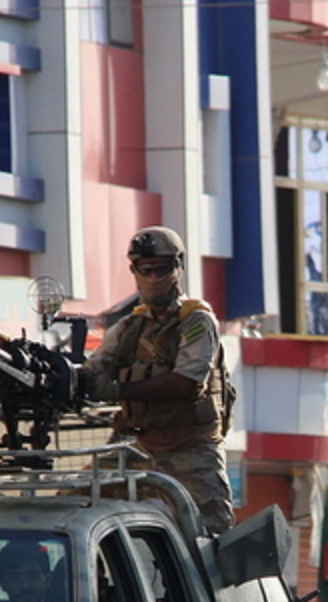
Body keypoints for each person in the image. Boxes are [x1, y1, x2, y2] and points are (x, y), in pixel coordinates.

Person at [80, 226, 235, 535]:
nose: (153, 278)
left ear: (178, 266)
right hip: (143, 448)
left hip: (191, 450)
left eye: (161, 269)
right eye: (145, 269)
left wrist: (117, 390)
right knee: (75, 502)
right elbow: (92, 369)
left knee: (211, 538)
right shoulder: (130, 327)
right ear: (133, 270)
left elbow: (186, 382)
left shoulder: (196, 321)